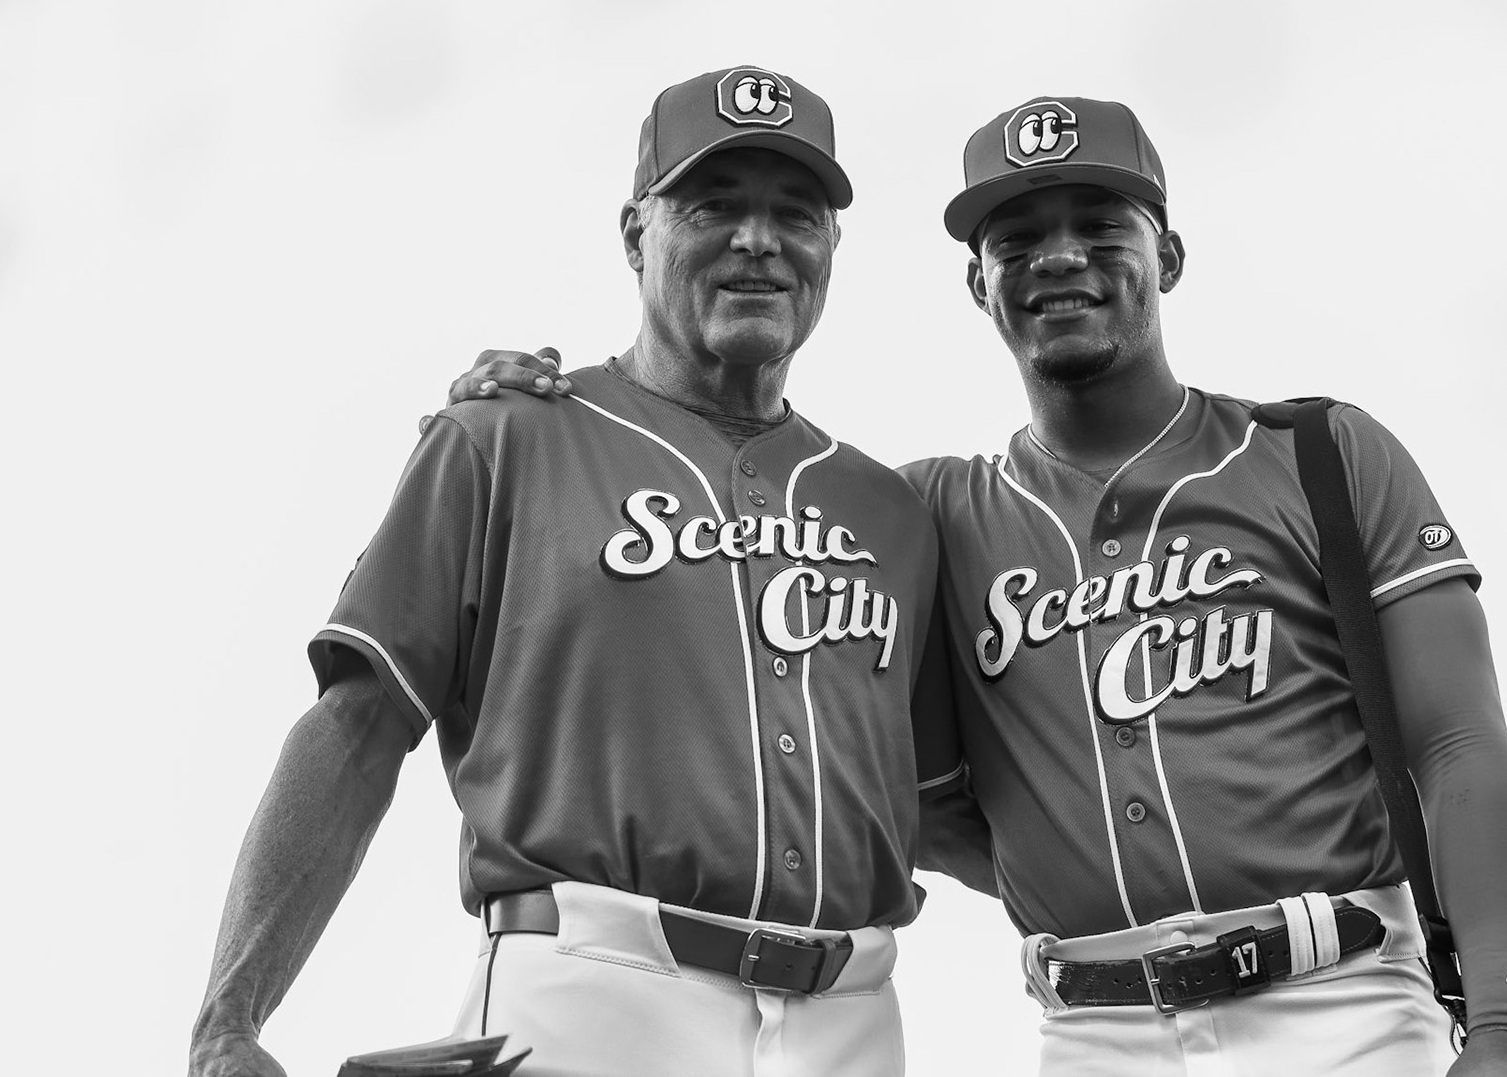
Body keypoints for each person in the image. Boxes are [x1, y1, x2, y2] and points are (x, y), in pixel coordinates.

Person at [445, 94, 1507, 1077]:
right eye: (1017, 239)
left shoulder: (1318, 455)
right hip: (1095, 1030)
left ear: (1168, 255)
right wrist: (533, 413)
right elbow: (912, 788)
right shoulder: (933, 515)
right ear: (978, 283)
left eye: (1100, 227)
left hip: (1345, 1003)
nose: (1060, 258)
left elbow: (1457, 745)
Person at [188, 66, 942, 1077]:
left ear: (832, 246)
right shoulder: (505, 436)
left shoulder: (890, 511)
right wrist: (229, 1017)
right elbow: (357, 726)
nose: (758, 239)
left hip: (852, 1019)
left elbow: (957, 803)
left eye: (795, 213)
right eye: (714, 204)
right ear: (635, 234)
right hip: (591, 994)